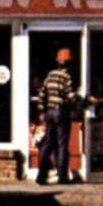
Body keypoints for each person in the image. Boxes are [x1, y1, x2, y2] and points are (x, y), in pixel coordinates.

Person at [36, 48, 82, 185]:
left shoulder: (50, 75)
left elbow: (42, 94)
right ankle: (63, 177)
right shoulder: (66, 77)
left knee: (47, 144)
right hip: (61, 112)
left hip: (50, 112)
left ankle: (41, 176)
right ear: (68, 63)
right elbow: (68, 96)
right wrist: (80, 97)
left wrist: (41, 112)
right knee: (62, 145)